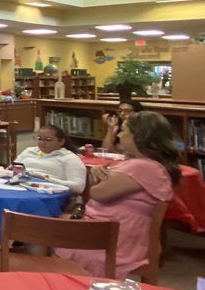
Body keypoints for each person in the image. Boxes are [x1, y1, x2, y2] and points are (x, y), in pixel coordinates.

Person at [56, 111, 178, 278]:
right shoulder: (146, 165)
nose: (119, 135)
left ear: (139, 136)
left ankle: (51, 280)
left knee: (41, 228)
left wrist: (97, 178)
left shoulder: (143, 167)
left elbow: (97, 193)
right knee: (48, 223)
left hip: (113, 237)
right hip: (117, 230)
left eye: (124, 130)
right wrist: (100, 176)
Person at [14, 124, 87, 192]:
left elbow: (79, 187)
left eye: (47, 139)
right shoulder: (29, 151)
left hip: (47, 191)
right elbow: (13, 168)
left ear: (61, 141)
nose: (42, 142)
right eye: (39, 139)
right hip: (19, 186)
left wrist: (46, 179)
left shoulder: (69, 158)